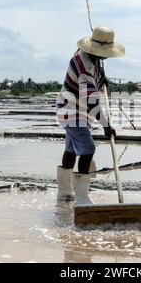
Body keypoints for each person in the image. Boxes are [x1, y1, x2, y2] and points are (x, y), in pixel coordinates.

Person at [56, 25, 125, 205]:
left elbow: (93, 82)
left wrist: (102, 78)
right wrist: (106, 125)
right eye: (105, 52)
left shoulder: (91, 58)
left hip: (77, 109)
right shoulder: (85, 66)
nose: (106, 56)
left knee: (71, 149)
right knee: (88, 148)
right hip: (71, 109)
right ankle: (82, 198)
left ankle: (64, 193)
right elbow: (92, 102)